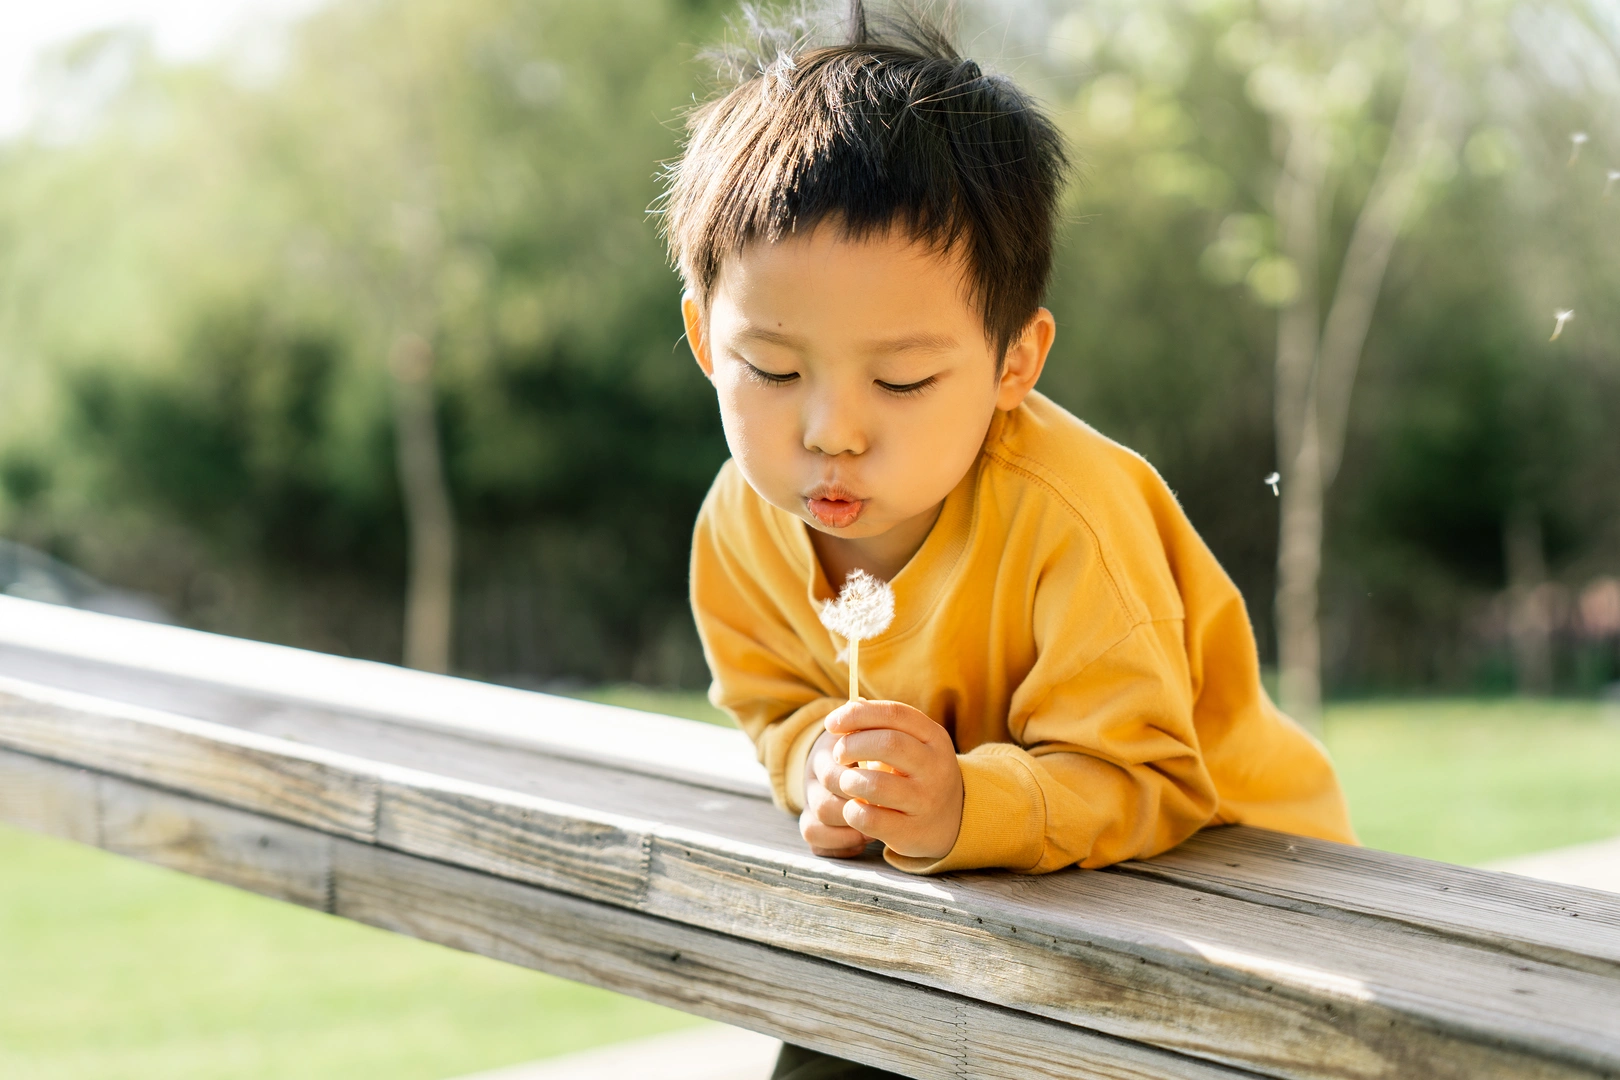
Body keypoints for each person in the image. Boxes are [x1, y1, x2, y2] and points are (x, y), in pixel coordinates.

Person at [663, 4, 1356, 1076]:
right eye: (774, 369)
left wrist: (962, 805)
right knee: (840, 1029)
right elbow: (771, 704)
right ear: (707, 336)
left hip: (1235, 888)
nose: (830, 431)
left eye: (901, 380)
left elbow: (1149, 778)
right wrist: (822, 768)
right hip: (973, 891)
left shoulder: (1069, 518)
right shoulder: (739, 527)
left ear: (1012, 365)